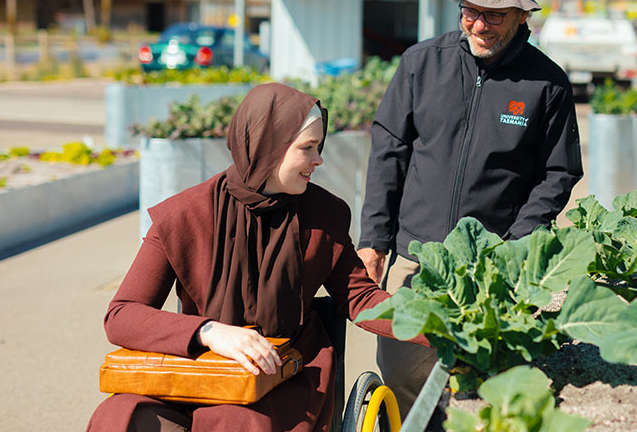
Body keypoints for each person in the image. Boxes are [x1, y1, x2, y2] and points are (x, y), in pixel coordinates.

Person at [87, 83, 419, 431]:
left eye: (319, 147)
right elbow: (122, 315)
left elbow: (361, 298)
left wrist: (440, 324)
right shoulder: (184, 215)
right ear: (269, 147)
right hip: (196, 369)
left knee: (233, 421)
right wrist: (210, 332)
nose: (319, 159)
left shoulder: (326, 214)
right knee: (119, 417)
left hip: (282, 375)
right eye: (307, 148)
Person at [356, 0, 584, 417]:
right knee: (405, 383)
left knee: (480, 394)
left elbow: (558, 174)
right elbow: (389, 153)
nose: (479, 25)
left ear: (522, 15)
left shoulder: (547, 84)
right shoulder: (422, 63)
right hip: (414, 263)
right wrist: (375, 239)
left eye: (494, 15)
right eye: (470, 11)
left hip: (493, 273)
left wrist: (515, 249)